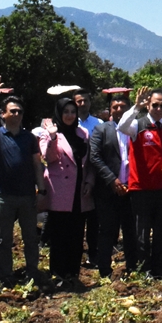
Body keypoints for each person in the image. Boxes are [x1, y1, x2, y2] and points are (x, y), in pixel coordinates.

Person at [0, 75, 47, 287]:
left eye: (19, 111)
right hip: (3, 196)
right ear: (3, 114)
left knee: (30, 239)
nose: (16, 114)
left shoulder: (29, 138)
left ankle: (32, 273)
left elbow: (37, 165)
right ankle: (5, 275)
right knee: (3, 240)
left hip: (27, 196)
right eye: (12, 111)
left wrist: (41, 190)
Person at [118, 87, 162, 276]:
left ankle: (161, 268)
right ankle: (145, 269)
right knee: (142, 233)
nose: (158, 109)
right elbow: (121, 126)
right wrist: (136, 106)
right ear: (148, 105)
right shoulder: (138, 125)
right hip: (141, 188)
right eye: (155, 105)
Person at [39, 98, 94, 285]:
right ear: (59, 114)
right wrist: (53, 137)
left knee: (77, 233)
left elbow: (89, 161)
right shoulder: (48, 133)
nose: (70, 115)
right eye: (66, 112)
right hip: (60, 190)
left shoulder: (83, 132)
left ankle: (73, 272)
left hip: (80, 190)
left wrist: (89, 181)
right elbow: (49, 157)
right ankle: (58, 272)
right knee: (59, 234)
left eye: (73, 111)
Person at [87, 93, 136, 278]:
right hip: (107, 190)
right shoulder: (101, 130)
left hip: (130, 189)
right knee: (108, 230)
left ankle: (132, 267)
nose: (119, 110)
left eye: (123, 107)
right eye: (115, 107)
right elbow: (95, 157)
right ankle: (104, 270)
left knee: (131, 231)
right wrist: (111, 179)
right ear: (110, 110)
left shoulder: (135, 129)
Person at [74, 88, 103, 269]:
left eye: (85, 100)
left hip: (96, 175)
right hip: (75, 176)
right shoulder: (68, 121)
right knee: (76, 219)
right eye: (79, 101)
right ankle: (76, 254)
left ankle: (94, 254)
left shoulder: (98, 123)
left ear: (90, 102)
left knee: (94, 219)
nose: (82, 104)